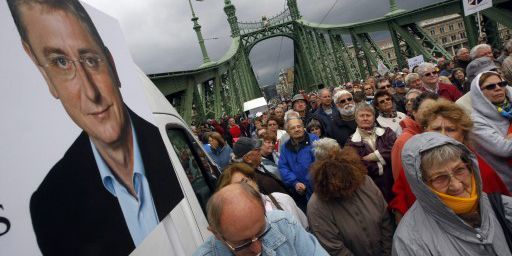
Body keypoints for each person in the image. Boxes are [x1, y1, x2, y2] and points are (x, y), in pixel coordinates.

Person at [8, 0, 186, 254]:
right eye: (60, 62)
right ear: (45, 76)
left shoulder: (163, 142)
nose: (91, 93)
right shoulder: (49, 206)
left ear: (112, 63)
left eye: (90, 60)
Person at [389, 99, 509, 223]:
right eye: (436, 129)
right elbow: (401, 208)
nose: (442, 135)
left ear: (463, 136)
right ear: (425, 131)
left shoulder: (481, 169)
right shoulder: (413, 169)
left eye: (450, 129)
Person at [393, 133, 512, 256]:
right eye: (440, 178)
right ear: (422, 185)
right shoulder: (411, 243)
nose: (456, 185)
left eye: (460, 170)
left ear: (471, 167)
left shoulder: (504, 208)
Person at [193, 183, 328, 256]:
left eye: (262, 232)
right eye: (243, 243)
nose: (257, 249)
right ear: (217, 234)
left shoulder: (285, 225)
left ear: (264, 211)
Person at [308, 141, 392, 256]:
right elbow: (334, 248)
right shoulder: (316, 206)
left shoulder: (365, 182)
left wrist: (387, 252)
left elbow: (385, 220)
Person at [216, 163, 308, 229]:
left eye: (245, 181)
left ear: (253, 180)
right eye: (236, 187)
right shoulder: (237, 225)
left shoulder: (281, 199)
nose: (245, 187)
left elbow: (305, 229)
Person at [347, 103, 396, 202]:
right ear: (356, 119)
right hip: (371, 187)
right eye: (361, 116)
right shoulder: (351, 142)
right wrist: (384, 159)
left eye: (368, 115)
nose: (365, 118)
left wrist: (373, 156)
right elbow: (357, 166)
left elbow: (394, 151)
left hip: (393, 180)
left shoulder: (387, 132)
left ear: (374, 118)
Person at [471, 71, 512, 190]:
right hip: (507, 182)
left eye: (501, 84)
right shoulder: (475, 121)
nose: (498, 88)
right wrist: (506, 142)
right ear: (479, 93)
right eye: (490, 86)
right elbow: (504, 149)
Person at [278, 117, 319, 203]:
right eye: (293, 128)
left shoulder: (314, 140)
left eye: (299, 126)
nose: (297, 129)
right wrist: (295, 182)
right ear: (288, 132)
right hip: (300, 193)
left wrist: (308, 183)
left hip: (318, 187)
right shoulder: (285, 147)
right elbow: (283, 167)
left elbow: (319, 162)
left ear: (303, 127)